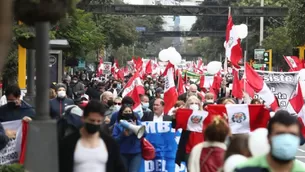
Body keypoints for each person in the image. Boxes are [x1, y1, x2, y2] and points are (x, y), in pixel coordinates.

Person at [59, 100, 125, 172]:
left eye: (98, 121)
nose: (95, 124)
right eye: (92, 120)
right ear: (83, 118)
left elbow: (119, 167)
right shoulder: (68, 143)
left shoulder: (110, 143)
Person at [235, 110, 305, 172]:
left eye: (292, 134)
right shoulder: (244, 169)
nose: (286, 139)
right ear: (268, 138)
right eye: (280, 133)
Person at [112, 105, 143, 172]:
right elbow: (114, 140)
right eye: (126, 111)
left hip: (136, 153)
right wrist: (123, 134)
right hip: (123, 153)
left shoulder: (137, 122)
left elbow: (145, 134)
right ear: (122, 113)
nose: (128, 113)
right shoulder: (117, 125)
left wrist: (136, 127)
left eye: (129, 111)